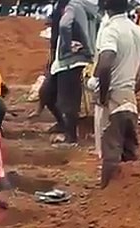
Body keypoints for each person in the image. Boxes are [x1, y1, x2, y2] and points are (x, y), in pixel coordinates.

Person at [93, 0, 140, 187]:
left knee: (110, 154)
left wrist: (103, 96)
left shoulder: (110, 30)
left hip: (113, 98)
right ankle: (129, 198)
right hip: (129, 98)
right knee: (129, 153)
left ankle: (105, 196)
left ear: (105, 5)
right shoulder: (136, 30)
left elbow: (105, 63)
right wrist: (135, 87)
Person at [44, 0, 99, 144]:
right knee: (48, 93)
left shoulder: (73, 5)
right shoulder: (90, 8)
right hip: (72, 59)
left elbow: (64, 25)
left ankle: (70, 136)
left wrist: (67, 46)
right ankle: (65, 127)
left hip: (69, 60)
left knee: (67, 101)